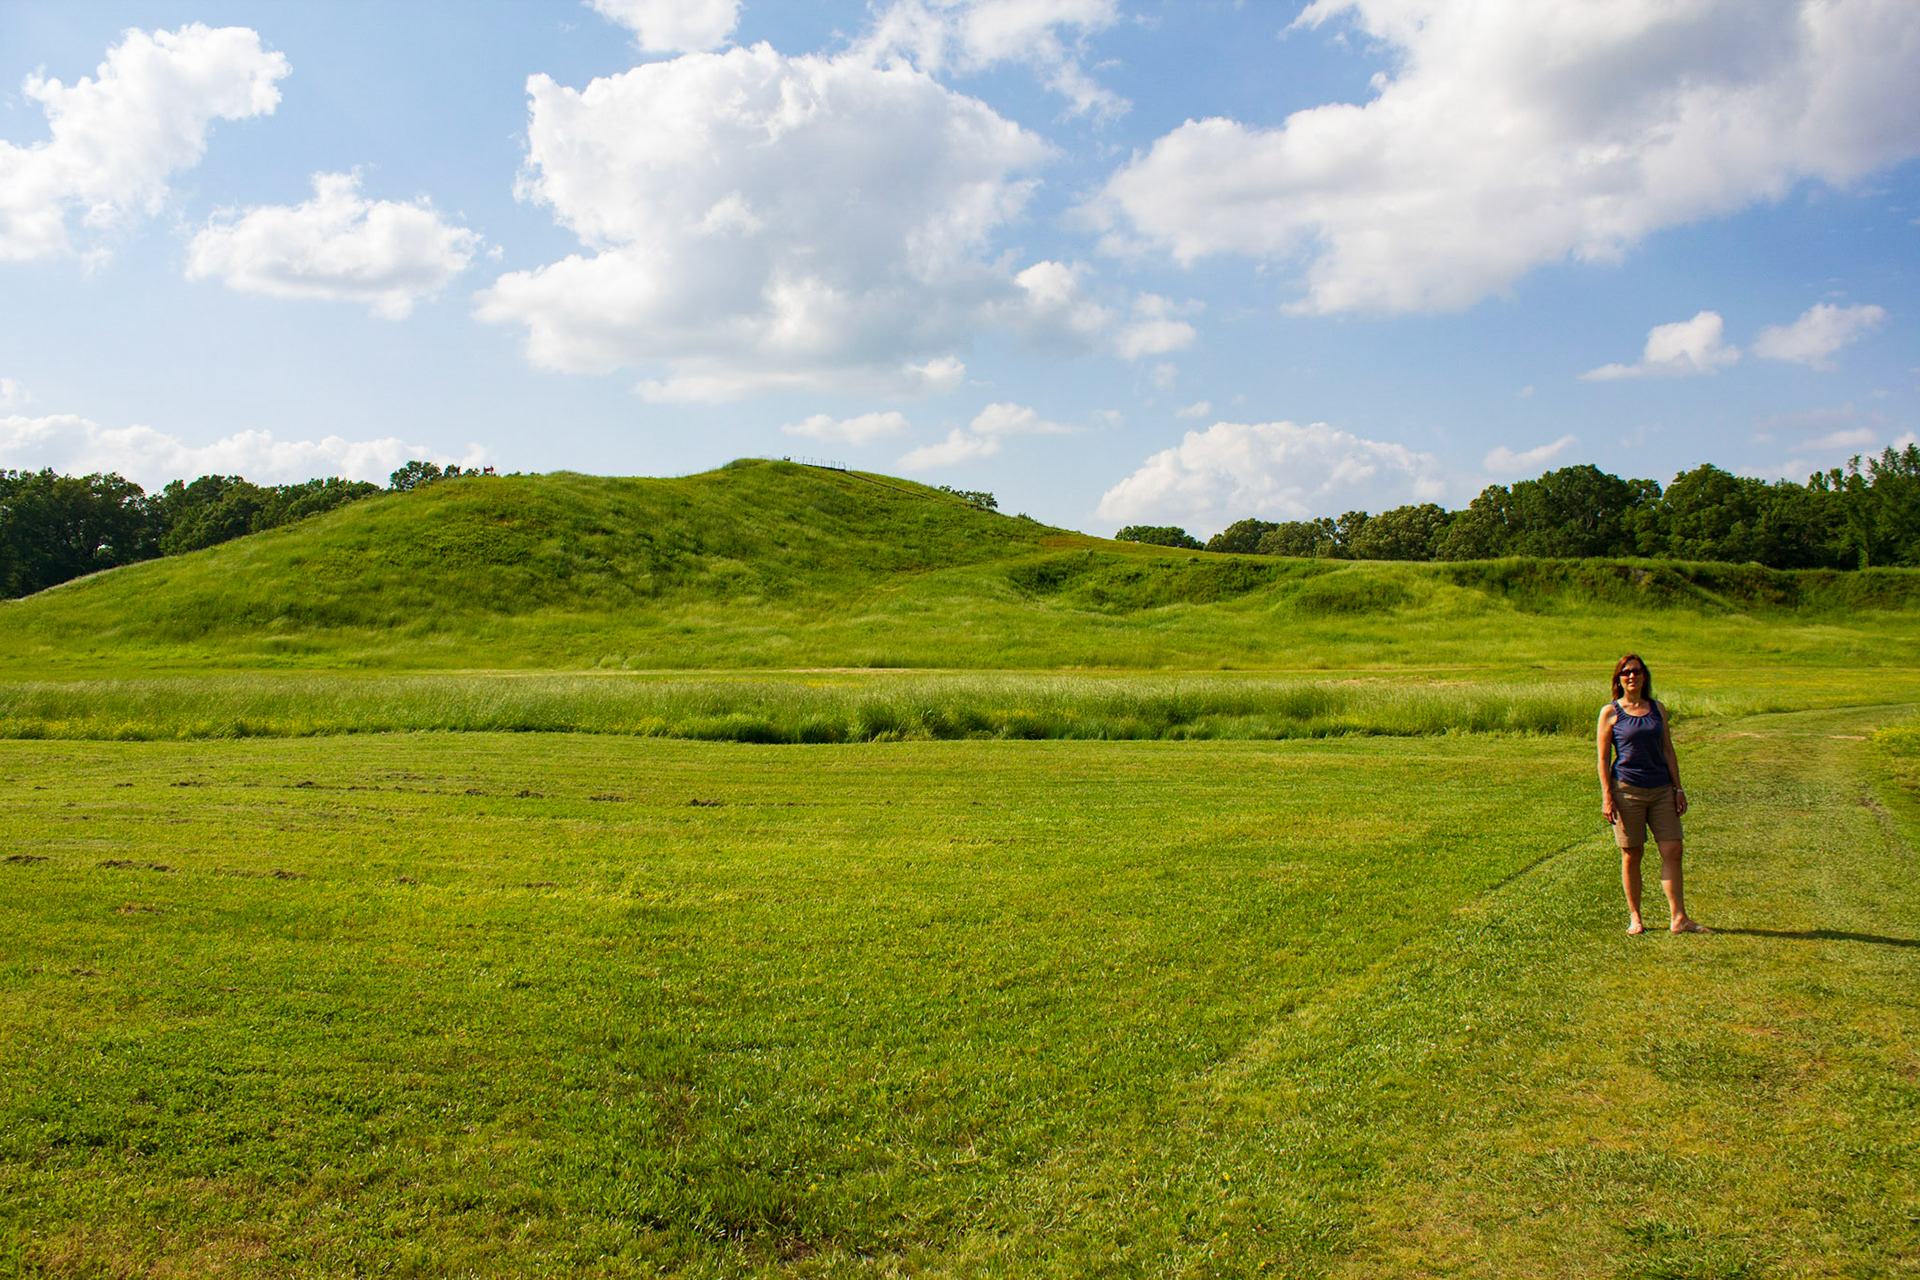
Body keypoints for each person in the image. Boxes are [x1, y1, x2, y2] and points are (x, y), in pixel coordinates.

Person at [1596, 654, 1706, 935]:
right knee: (1632, 853)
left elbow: (1668, 749)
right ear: (1618, 679)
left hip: (1661, 790)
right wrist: (1607, 796)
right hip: (1627, 790)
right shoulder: (1610, 712)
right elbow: (1602, 758)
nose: (1631, 676)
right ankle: (1635, 917)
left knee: (1672, 849)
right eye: (1625, 673)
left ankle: (1678, 918)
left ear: (1645, 676)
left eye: (1636, 671)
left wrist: (1677, 787)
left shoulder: (1657, 709)